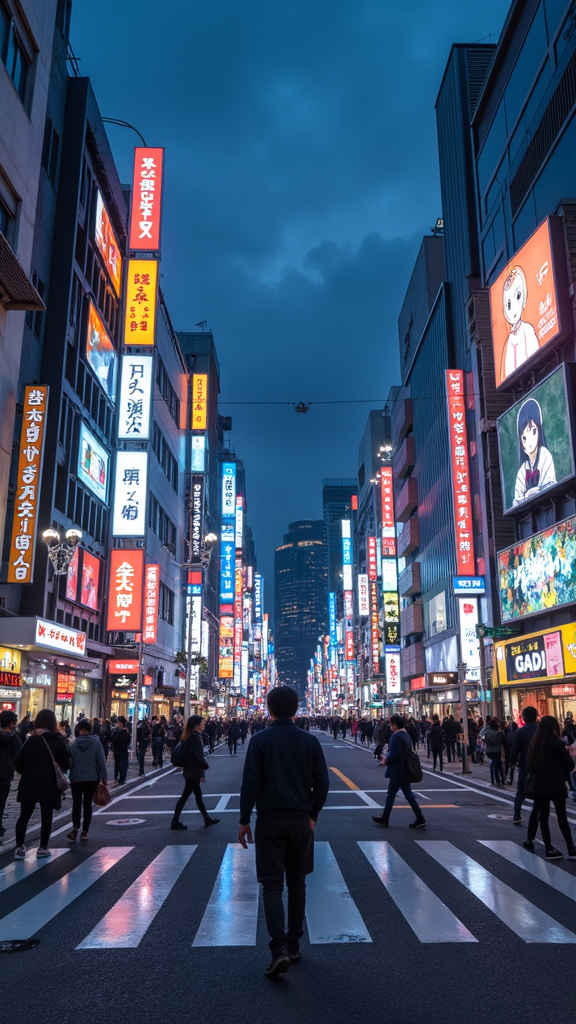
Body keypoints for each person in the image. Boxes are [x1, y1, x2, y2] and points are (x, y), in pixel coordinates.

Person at [238, 685, 329, 978]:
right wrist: (313, 814)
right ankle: (294, 944)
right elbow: (323, 782)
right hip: (301, 819)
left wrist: (243, 820)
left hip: (269, 819)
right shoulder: (309, 741)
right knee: (298, 882)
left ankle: (277, 948)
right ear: (296, 708)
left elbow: (250, 783)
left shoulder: (260, 740)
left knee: (272, 885)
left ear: (269, 708)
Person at [12, 709, 71, 859]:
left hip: (29, 783)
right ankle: (43, 848)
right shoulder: (58, 740)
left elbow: (18, 763)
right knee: (46, 816)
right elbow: (67, 763)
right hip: (49, 783)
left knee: (24, 815)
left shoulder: (31, 739)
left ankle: (19, 848)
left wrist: (27, 771)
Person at [523, 715, 576, 860]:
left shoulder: (535, 744)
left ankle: (548, 848)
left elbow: (529, 765)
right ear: (554, 728)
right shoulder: (557, 744)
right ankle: (571, 847)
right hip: (556, 784)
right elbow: (570, 765)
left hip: (539, 785)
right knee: (562, 817)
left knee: (543, 817)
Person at [372, 714, 426, 829]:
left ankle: (386, 818)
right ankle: (419, 818)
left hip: (398, 770)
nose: (390, 726)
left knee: (392, 795)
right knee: (405, 794)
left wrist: (386, 760)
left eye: (391, 724)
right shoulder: (405, 735)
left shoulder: (396, 737)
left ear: (395, 724)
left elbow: (395, 754)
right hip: (404, 769)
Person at [171, 716, 220, 830]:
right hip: (193, 771)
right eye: (202, 723)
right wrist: (205, 766)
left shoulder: (188, 736)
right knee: (189, 796)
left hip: (190, 770)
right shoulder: (196, 738)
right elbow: (199, 756)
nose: (204, 725)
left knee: (195, 796)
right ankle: (175, 821)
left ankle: (206, 818)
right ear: (196, 725)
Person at [68, 718, 107, 842]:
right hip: (92, 778)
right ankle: (85, 831)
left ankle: (75, 829)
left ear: (78, 730)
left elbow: (69, 763)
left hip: (76, 778)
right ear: (89, 730)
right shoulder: (96, 743)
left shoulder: (73, 744)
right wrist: (104, 776)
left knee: (76, 804)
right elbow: (101, 761)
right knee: (87, 804)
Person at [513, 398, 556, 506]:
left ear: (539, 431)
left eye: (533, 431)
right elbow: (516, 501)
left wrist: (537, 492)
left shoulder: (545, 455)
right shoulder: (523, 470)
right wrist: (526, 497)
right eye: (524, 438)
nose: (529, 441)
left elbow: (551, 484)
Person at [509, 705, 538, 824]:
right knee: (539, 791)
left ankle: (517, 814)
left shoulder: (520, 732)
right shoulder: (542, 730)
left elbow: (514, 751)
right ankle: (538, 813)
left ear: (523, 718)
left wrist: (512, 762)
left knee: (521, 790)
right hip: (542, 765)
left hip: (525, 763)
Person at [0, 710, 21, 839]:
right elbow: (19, 756)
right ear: (12, 723)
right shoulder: (13, 739)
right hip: (5, 775)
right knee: (1, 803)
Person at [484, 717, 505, 786]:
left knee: (493, 764)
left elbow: (485, 740)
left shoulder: (487, 733)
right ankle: (500, 779)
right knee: (498, 765)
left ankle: (494, 780)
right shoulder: (500, 734)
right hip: (497, 750)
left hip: (489, 751)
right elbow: (504, 742)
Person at [110, 716, 130, 785]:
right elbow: (111, 739)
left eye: (118, 722)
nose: (117, 723)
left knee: (122, 766)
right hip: (117, 751)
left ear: (121, 723)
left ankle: (122, 779)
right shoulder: (117, 731)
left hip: (122, 751)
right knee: (118, 765)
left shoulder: (124, 733)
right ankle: (119, 778)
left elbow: (126, 743)